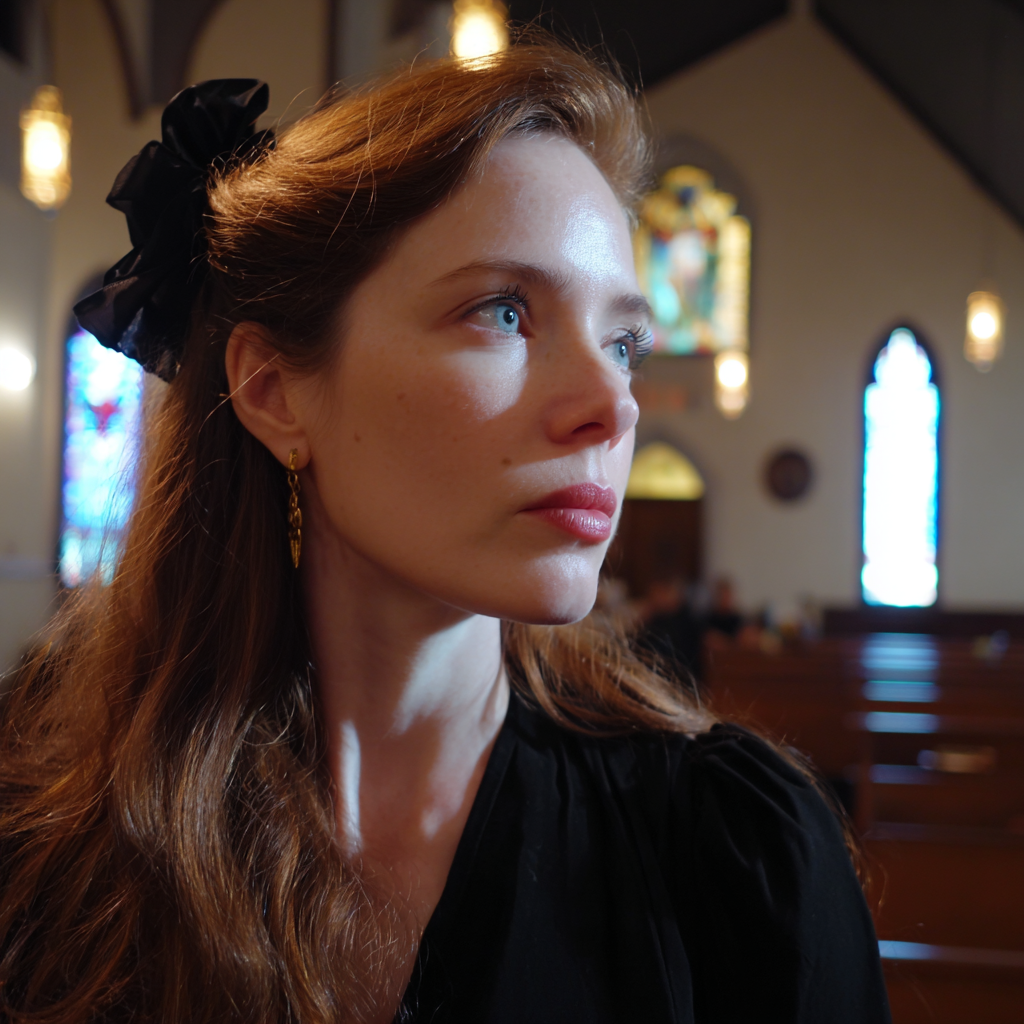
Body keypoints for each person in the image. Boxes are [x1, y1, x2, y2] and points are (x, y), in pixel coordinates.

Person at [0, 41, 890, 1023]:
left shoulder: (730, 862)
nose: (615, 405)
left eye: (623, 341)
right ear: (273, 391)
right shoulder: (46, 821)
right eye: (504, 311)